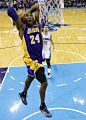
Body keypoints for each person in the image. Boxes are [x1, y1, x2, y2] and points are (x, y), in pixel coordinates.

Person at [7, 5, 52, 118]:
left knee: (31, 77)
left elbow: (37, 7)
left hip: (38, 59)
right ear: (24, 20)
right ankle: (42, 106)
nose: (30, 17)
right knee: (44, 83)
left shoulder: (37, 25)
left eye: (31, 16)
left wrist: (28, 12)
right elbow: (9, 10)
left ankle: (23, 93)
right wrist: (21, 16)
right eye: (28, 17)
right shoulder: (22, 28)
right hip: (32, 61)